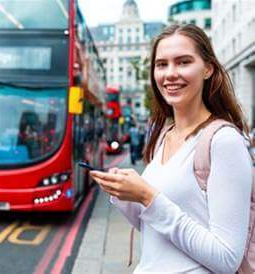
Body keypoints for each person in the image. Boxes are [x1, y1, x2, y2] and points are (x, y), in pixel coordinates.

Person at [90, 24, 253, 273]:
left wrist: (147, 196)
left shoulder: (224, 141)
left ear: (208, 68)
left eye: (183, 62)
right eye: (161, 64)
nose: (170, 74)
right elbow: (155, 229)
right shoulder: (164, 136)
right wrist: (125, 195)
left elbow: (227, 259)